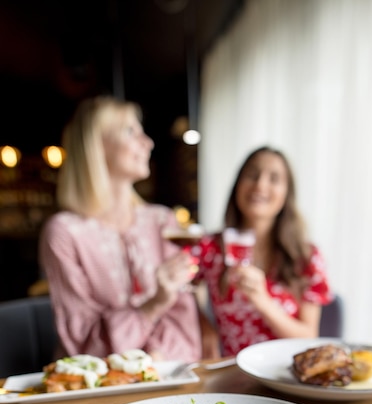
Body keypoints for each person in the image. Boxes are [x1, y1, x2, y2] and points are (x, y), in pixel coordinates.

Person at [39, 96, 202, 361]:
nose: (148, 143)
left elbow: (185, 324)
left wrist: (154, 360)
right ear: (95, 147)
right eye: (130, 131)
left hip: (167, 376)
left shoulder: (163, 222)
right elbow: (82, 345)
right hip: (96, 390)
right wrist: (153, 306)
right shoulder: (64, 233)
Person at [197, 146, 333, 356]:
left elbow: (308, 337)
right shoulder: (210, 248)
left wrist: (262, 299)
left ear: (287, 193)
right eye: (252, 175)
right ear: (238, 185)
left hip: (285, 376)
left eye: (274, 178)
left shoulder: (306, 257)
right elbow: (181, 292)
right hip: (233, 375)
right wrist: (204, 326)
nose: (260, 185)